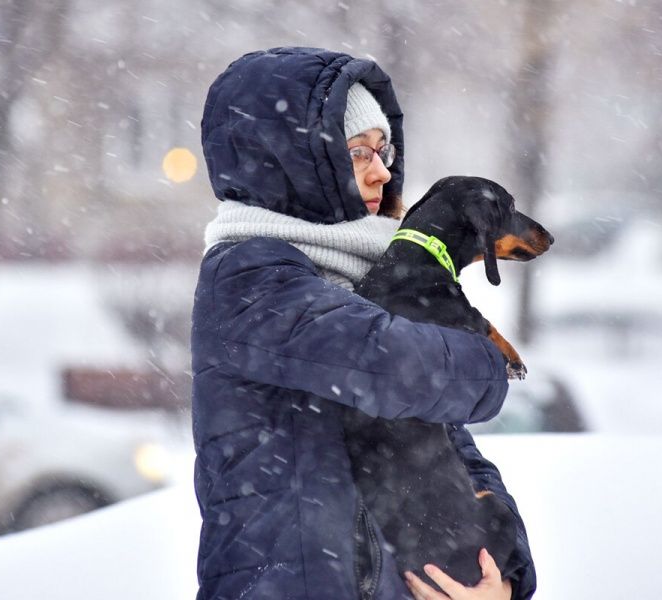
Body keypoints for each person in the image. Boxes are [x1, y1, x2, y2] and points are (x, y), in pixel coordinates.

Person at [191, 47, 536, 600]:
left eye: (384, 150)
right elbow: (395, 369)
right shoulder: (250, 279)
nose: (383, 171)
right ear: (297, 164)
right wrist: (487, 358)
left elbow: (449, 451)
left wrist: (503, 577)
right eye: (356, 153)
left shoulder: (372, 275)